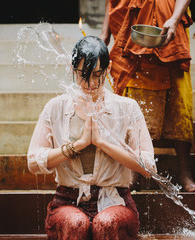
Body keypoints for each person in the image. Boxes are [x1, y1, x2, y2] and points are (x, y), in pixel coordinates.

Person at [27, 36, 157, 240]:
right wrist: (78, 145)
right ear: (72, 69)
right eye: (84, 75)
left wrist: (101, 143)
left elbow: (149, 167)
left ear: (109, 68)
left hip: (116, 201)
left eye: (98, 75)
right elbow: (33, 162)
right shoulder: (56, 107)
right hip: (67, 202)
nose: (91, 83)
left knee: (106, 223)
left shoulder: (127, 108)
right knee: (75, 223)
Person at [100, 0, 195, 192]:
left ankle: (185, 175)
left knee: (179, 102)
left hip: (169, 24)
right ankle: (133, 174)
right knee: (135, 103)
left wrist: (174, 19)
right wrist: (105, 34)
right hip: (135, 27)